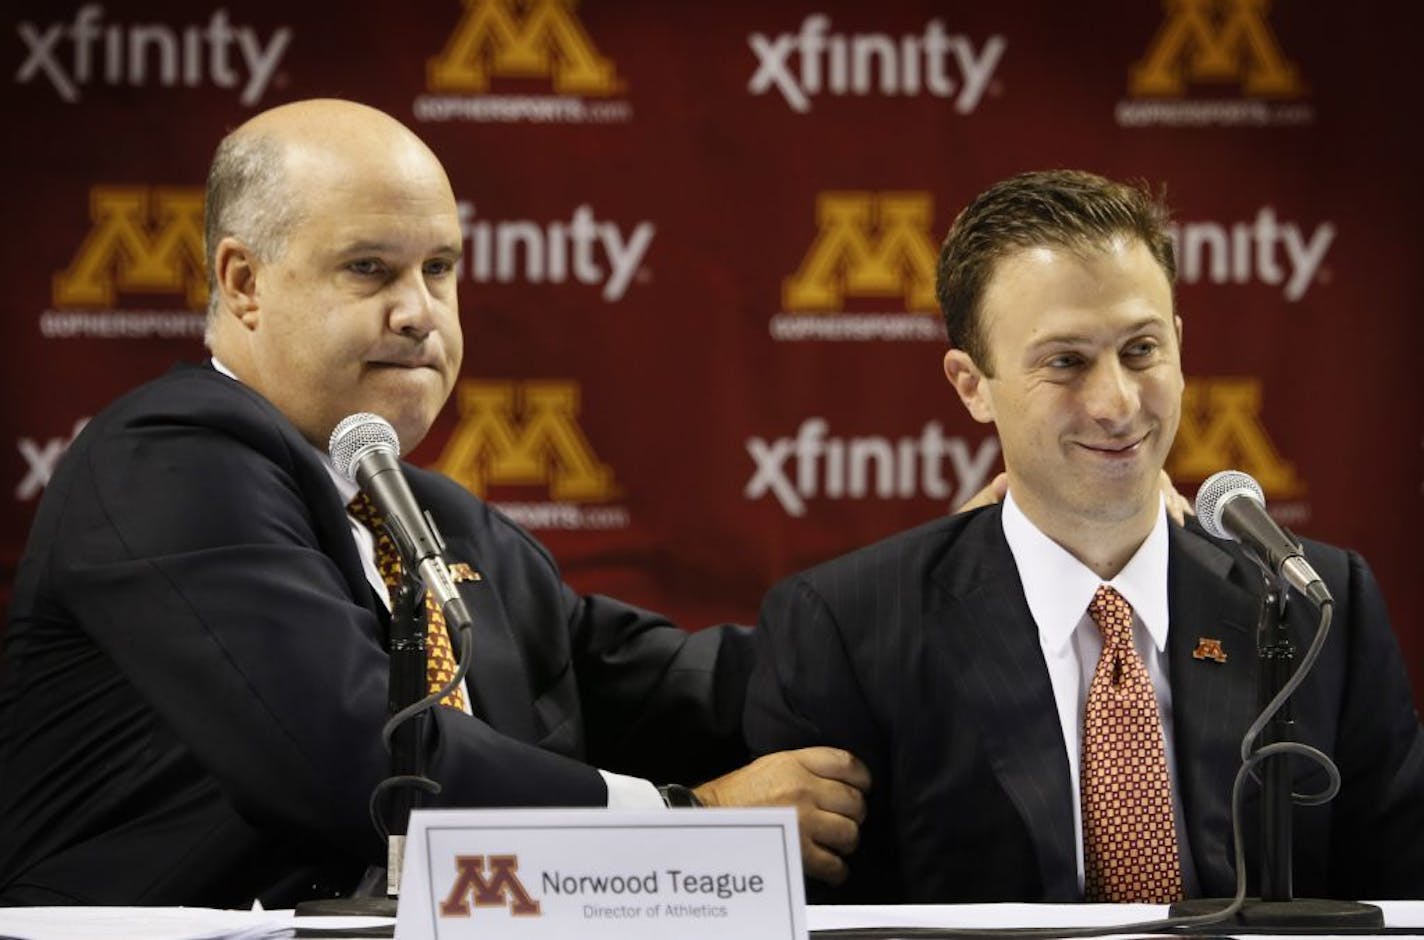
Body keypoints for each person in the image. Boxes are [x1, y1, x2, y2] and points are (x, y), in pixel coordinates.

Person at [0, 99, 870, 908]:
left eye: (440, 269)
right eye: (369, 269)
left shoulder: (430, 517)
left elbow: (673, 692)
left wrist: (944, 579)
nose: (420, 313)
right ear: (243, 282)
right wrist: (688, 823)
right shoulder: (168, 458)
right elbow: (356, 762)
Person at [744, 170, 1424, 904]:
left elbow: (1402, 895)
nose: (1117, 403)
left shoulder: (1313, 602)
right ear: (971, 384)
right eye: (1066, 362)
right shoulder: (848, 627)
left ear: (1180, 346)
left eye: (1141, 351)